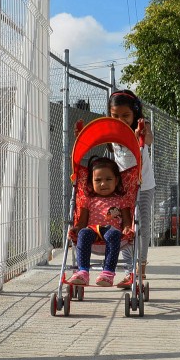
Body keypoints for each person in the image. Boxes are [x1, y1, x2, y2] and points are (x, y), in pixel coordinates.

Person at [106, 89, 155, 288]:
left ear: (135, 113)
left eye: (126, 116)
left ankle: (141, 267)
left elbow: (148, 140)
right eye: (115, 115)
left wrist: (141, 134)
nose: (120, 120)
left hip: (144, 185)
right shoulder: (111, 129)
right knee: (126, 227)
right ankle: (129, 270)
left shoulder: (142, 126)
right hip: (123, 187)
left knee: (142, 226)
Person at [68, 157, 128, 287]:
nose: (103, 184)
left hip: (113, 231)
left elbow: (127, 222)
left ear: (116, 181)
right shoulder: (88, 201)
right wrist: (76, 229)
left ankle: (108, 273)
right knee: (83, 233)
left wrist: (128, 228)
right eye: (98, 180)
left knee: (113, 234)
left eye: (108, 179)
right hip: (93, 230)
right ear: (91, 182)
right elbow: (82, 223)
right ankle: (83, 271)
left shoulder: (121, 200)